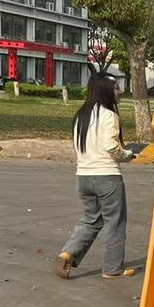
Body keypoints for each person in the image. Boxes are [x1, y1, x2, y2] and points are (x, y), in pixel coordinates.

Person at [55, 73, 137, 279]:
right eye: (116, 88)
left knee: (91, 219)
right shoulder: (109, 115)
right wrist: (128, 155)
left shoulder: (81, 116)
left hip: (83, 177)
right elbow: (111, 147)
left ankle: (67, 253)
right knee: (115, 223)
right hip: (107, 177)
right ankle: (112, 269)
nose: (120, 91)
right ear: (105, 90)